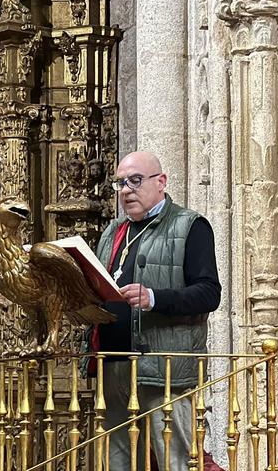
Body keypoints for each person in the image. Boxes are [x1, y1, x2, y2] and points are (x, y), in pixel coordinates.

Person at [93, 151, 221, 471]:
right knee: (117, 463)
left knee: (176, 461)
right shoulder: (113, 232)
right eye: (120, 183)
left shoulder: (189, 225)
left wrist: (153, 298)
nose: (126, 190)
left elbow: (209, 293)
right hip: (114, 366)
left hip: (165, 369)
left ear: (161, 182)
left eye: (135, 181)